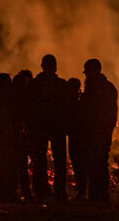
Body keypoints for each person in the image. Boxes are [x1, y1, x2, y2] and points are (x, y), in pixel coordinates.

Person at [26, 55, 71, 201]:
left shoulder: (35, 85)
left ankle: (44, 190)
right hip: (52, 127)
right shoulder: (60, 85)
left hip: (45, 127)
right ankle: (57, 191)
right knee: (55, 160)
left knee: (42, 160)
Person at [79, 59, 117, 202]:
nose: (86, 75)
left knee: (96, 163)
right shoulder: (108, 87)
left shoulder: (95, 89)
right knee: (99, 162)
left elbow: (89, 112)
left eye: (87, 72)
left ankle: (97, 194)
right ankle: (99, 193)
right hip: (101, 132)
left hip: (95, 132)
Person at [0, 73, 19, 203]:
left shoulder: (1, 98)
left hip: (7, 135)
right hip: (5, 135)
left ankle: (8, 193)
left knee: (9, 164)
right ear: (2, 84)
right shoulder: (0, 99)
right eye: (8, 82)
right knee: (6, 165)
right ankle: (5, 194)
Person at [12, 70, 35, 200]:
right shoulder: (14, 100)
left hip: (28, 135)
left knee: (22, 165)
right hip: (20, 136)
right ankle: (25, 191)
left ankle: (26, 191)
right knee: (21, 165)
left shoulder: (30, 97)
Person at [65, 77, 87, 200]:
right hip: (80, 136)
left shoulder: (73, 102)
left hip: (76, 136)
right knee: (80, 164)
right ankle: (83, 191)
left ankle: (82, 192)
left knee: (78, 164)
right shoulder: (82, 100)